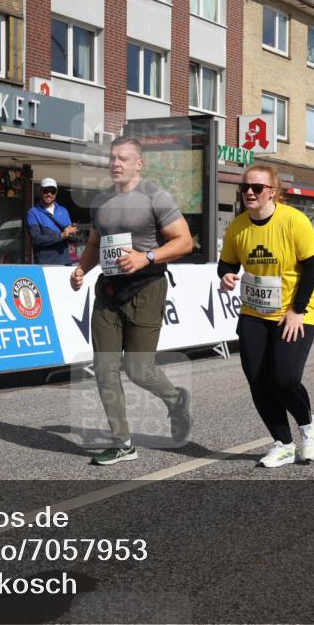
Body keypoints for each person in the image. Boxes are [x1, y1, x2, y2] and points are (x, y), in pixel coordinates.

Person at [69, 137, 194, 466]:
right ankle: (122, 441)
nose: (115, 164)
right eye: (112, 158)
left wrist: (147, 257)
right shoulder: (100, 201)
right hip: (108, 291)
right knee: (104, 368)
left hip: (146, 288)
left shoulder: (156, 197)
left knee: (139, 370)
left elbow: (184, 242)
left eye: (123, 158)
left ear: (139, 164)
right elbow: (96, 243)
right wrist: (81, 270)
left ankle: (175, 399)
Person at [217, 164, 314, 468]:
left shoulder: (293, 221)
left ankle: (308, 427)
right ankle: (284, 443)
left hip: (294, 311)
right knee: (258, 381)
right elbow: (227, 265)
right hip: (253, 312)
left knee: (284, 378)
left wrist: (297, 310)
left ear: (272, 191)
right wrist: (226, 276)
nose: (249, 192)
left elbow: (313, 265)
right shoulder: (238, 226)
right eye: (245, 187)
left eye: (257, 187)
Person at [26, 178, 77, 265]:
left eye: (52, 191)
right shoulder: (33, 212)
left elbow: (69, 235)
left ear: (56, 193)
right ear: (40, 191)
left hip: (65, 262)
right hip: (46, 264)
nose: (49, 194)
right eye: (46, 191)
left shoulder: (63, 210)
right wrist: (61, 236)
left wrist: (72, 231)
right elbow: (37, 239)